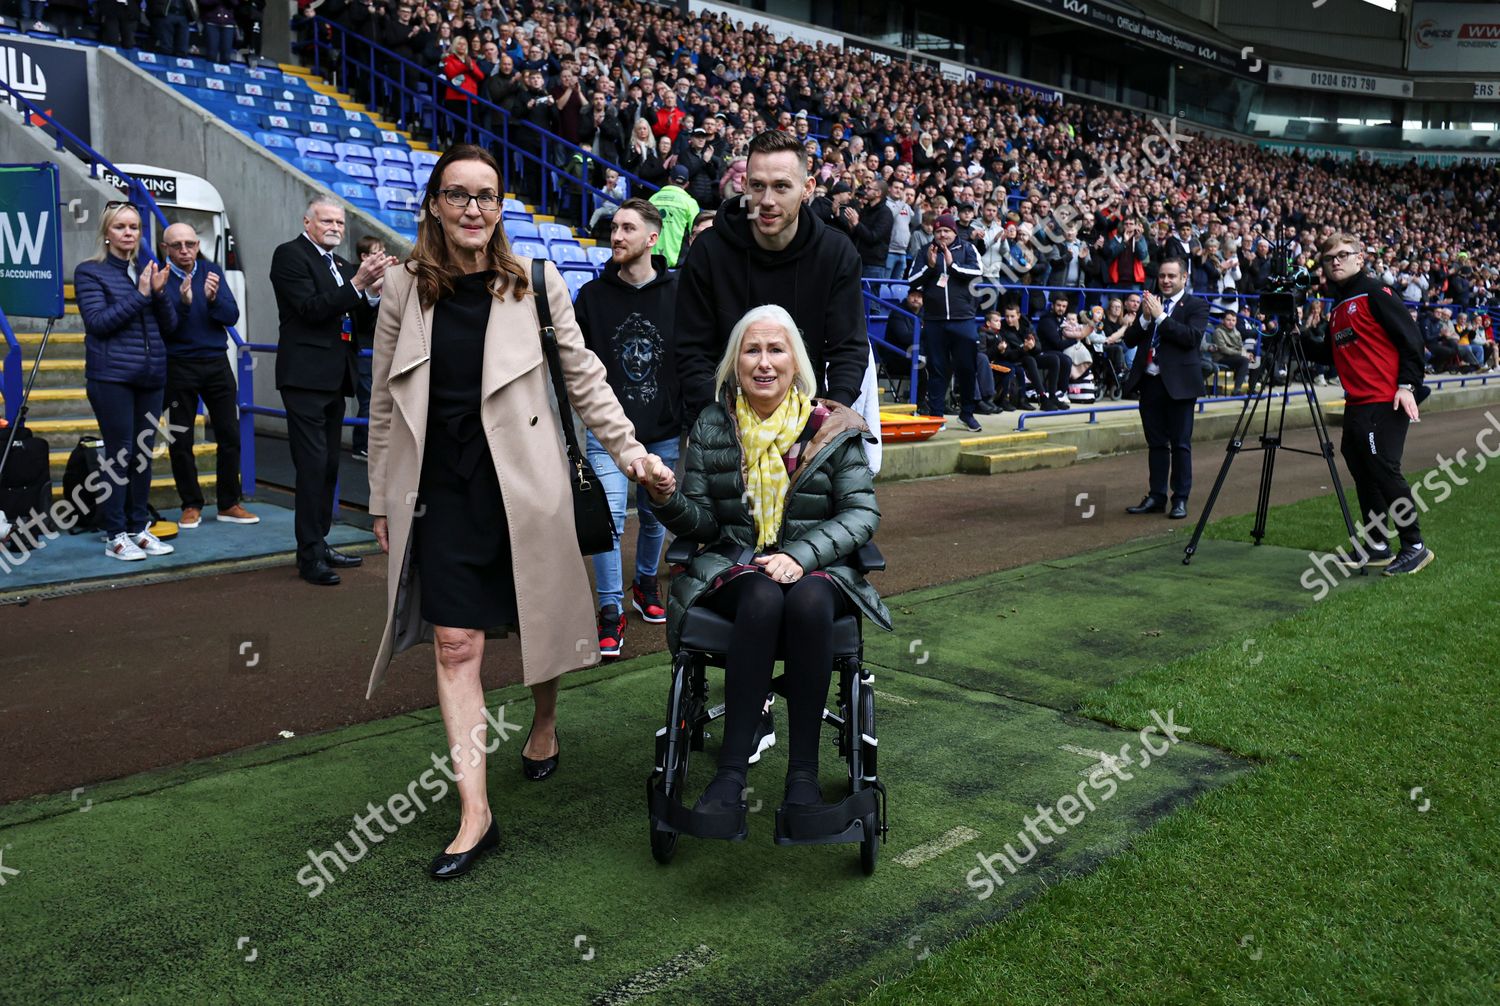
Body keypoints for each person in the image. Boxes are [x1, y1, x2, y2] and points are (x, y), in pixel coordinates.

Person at [365, 145, 671, 878]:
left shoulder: (535, 282)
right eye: (458, 194)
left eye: (487, 195)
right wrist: (380, 496)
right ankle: (476, 815)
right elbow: (381, 400)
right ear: (434, 204)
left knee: (538, 621)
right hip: (439, 494)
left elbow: (586, 377)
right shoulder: (403, 289)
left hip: (524, 488)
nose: (473, 208)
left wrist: (630, 452)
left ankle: (544, 721)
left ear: (501, 207)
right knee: (456, 645)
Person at [646, 303, 891, 830]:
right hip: (736, 568)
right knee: (759, 592)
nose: (763, 362)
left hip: (816, 571)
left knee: (803, 598)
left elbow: (862, 512)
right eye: (751, 350)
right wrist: (666, 498)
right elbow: (703, 525)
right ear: (735, 363)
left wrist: (799, 556)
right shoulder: (713, 424)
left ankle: (801, 779)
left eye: (775, 349)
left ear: (795, 362)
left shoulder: (832, 427)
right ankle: (731, 775)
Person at [675, 129, 869, 428]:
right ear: (743, 184)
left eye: (781, 187)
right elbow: (691, 349)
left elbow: (848, 349)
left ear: (807, 187)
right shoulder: (709, 251)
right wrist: (716, 418)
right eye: (758, 186)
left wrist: (830, 415)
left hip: (806, 423)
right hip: (720, 423)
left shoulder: (837, 252)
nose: (767, 200)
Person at [573, 198, 681, 658]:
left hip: (664, 427)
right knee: (610, 519)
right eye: (614, 227)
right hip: (608, 432)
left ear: (651, 239)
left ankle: (644, 585)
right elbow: (575, 364)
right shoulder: (592, 297)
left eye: (627, 229)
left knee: (656, 515)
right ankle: (610, 611)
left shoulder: (680, 291)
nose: (616, 236)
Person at [270, 198, 396, 586]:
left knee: (328, 466)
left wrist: (372, 290)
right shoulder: (289, 256)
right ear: (307, 221)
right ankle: (309, 555)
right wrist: (359, 283)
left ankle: (319, 542)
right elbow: (310, 310)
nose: (335, 227)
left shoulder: (341, 265)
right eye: (326, 220)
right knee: (311, 467)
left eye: (340, 222)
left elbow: (357, 317)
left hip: (334, 378)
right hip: (304, 378)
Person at [1302, 233, 1434, 575]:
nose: (1335, 261)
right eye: (1329, 257)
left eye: (1343, 254)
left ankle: (1415, 546)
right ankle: (1377, 543)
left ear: (1360, 258)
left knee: (1384, 470)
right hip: (1357, 402)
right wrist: (1298, 335)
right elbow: (1330, 354)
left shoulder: (1374, 292)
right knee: (1363, 470)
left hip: (1384, 399)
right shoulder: (1339, 305)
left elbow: (1412, 339)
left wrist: (1407, 385)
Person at [74, 203, 177, 561]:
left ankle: (137, 527)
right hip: (111, 377)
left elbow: (170, 327)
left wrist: (161, 294)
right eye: (120, 227)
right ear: (107, 233)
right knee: (119, 456)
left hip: (150, 377)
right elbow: (99, 322)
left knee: (142, 456)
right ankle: (114, 535)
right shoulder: (90, 272)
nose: (129, 233)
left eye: (134, 226)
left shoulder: (144, 272)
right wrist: (142, 294)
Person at [158, 223, 258, 530]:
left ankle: (229, 503)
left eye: (190, 243)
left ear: (198, 245)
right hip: (178, 365)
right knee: (180, 438)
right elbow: (165, 328)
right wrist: (185, 303)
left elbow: (231, 316)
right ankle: (191, 504)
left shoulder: (211, 270)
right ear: (166, 249)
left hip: (215, 362)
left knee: (229, 434)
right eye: (178, 245)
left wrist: (213, 299)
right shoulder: (160, 279)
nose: (185, 250)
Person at [1121, 258, 1207, 519]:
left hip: (1180, 386)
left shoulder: (1196, 304)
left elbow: (1191, 338)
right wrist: (1146, 320)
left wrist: (1160, 317)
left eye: (1171, 276)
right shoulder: (1150, 304)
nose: (1166, 281)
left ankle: (1180, 498)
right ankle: (1156, 496)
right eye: (1162, 276)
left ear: (1184, 278)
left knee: (1180, 444)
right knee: (1156, 444)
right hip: (1150, 383)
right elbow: (1130, 339)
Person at [907, 213, 984, 431]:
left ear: (954, 232)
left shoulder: (968, 249)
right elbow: (911, 280)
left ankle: (967, 414)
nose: (942, 234)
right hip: (934, 320)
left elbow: (978, 271)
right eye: (938, 231)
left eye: (946, 231)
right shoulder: (925, 251)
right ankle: (937, 415)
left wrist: (952, 266)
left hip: (963, 320)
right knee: (937, 369)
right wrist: (930, 267)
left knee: (967, 369)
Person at [351, 235, 389, 460]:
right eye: (377, 252)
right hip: (363, 348)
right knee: (369, 399)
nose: (382, 256)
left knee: (378, 399)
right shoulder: (356, 276)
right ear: (364, 256)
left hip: (379, 348)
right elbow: (361, 317)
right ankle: (362, 446)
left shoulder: (389, 277)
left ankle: (367, 444)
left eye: (383, 251)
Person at [647, 164, 698, 268]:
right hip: (677, 264)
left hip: (651, 262)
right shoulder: (690, 203)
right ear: (687, 184)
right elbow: (696, 232)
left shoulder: (652, 199)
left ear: (669, 179)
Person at [1208, 312, 1255, 396]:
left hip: (1234, 357)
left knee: (1255, 360)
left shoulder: (1236, 332)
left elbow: (1241, 347)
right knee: (1244, 360)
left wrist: (1247, 354)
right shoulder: (1218, 332)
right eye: (1228, 320)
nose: (1231, 322)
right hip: (1221, 358)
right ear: (1223, 321)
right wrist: (1243, 354)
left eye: (1233, 320)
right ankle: (1236, 390)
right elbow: (1224, 349)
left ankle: (1252, 389)